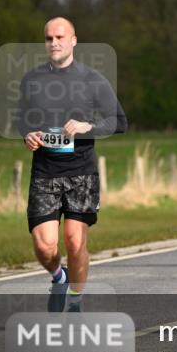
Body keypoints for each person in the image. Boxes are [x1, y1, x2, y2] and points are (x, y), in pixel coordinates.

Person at [17, 17, 126, 312]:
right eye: (49, 38)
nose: (54, 42)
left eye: (60, 37)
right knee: (44, 245)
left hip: (81, 173)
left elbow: (119, 122)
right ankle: (58, 276)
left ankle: (76, 300)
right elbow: (22, 118)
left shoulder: (92, 79)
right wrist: (27, 134)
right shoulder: (32, 80)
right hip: (45, 171)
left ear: (74, 40)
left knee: (75, 243)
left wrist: (86, 126)